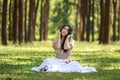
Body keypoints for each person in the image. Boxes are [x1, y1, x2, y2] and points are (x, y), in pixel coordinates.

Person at [32, 25, 97, 73]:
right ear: (61, 29)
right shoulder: (56, 40)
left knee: (75, 64)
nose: (65, 31)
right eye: (64, 29)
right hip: (56, 61)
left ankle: (53, 68)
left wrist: (67, 37)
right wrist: (59, 36)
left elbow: (66, 47)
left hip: (66, 61)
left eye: (67, 30)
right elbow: (57, 46)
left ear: (69, 33)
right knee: (47, 60)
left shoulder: (71, 41)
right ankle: (51, 67)